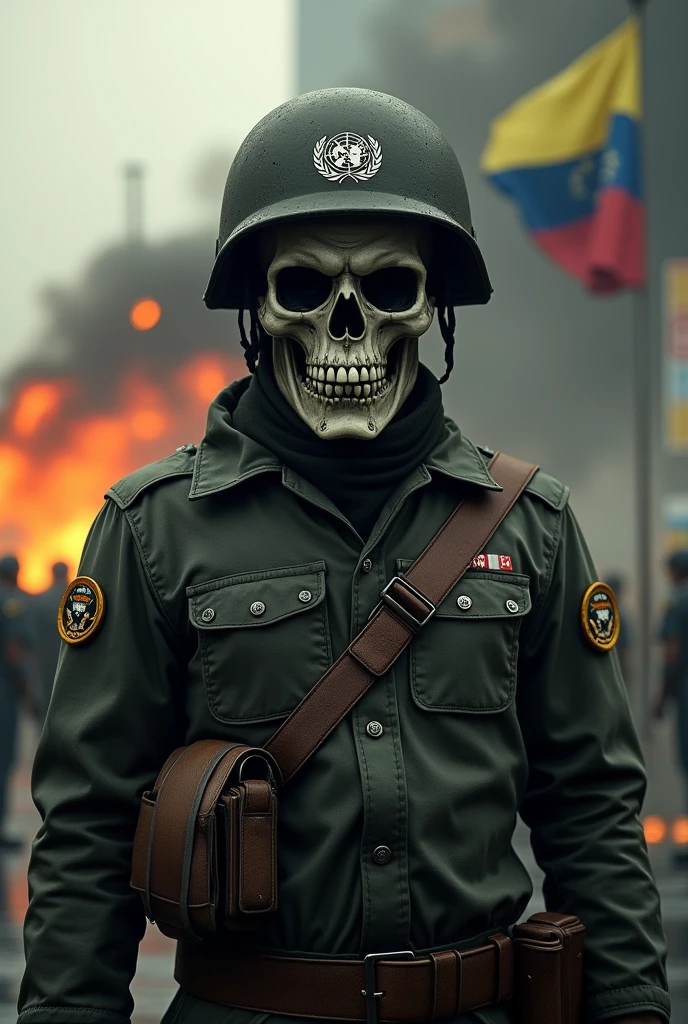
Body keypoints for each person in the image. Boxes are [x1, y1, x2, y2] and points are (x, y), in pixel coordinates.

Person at [19, 90, 668, 1024]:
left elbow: (594, 810)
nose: (348, 324)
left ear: (431, 306)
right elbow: (87, 831)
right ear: (261, 307)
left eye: (389, 288)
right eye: (307, 289)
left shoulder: (533, 526)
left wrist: (634, 1008)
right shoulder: (153, 528)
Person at [0, 555, 34, 852]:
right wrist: (26, 691)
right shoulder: (10, 601)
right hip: (4, 693)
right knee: (3, 760)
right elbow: (13, 649)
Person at [31, 561, 69, 718]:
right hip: (70, 658)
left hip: (46, 658)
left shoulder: (40, 600)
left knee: (48, 698)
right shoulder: (76, 596)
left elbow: (34, 634)